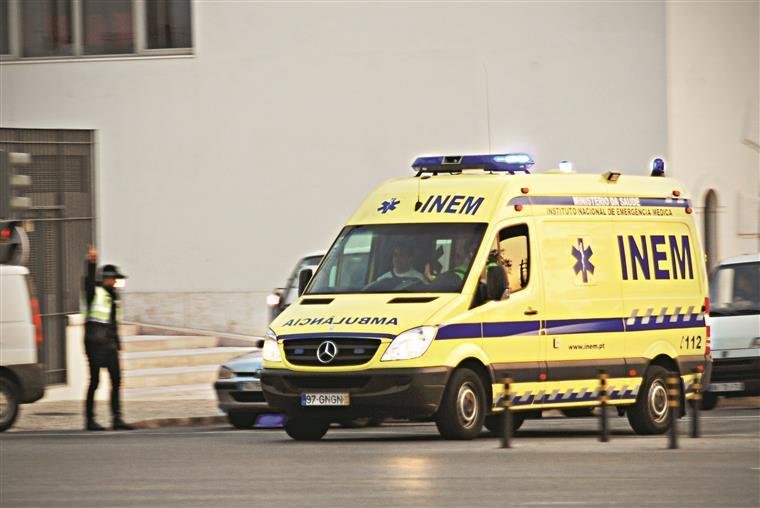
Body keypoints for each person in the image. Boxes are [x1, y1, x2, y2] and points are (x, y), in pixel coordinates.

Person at [82, 245, 133, 431]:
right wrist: (91, 262)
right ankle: (89, 420)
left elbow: (114, 322)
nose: (117, 283)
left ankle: (117, 418)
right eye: (115, 279)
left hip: (110, 345)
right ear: (107, 279)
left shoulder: (114, 297)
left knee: (117, 380)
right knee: (95, 381)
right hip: (95, 344)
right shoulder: (94, 293)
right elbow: (87, 281)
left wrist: (118, 343)